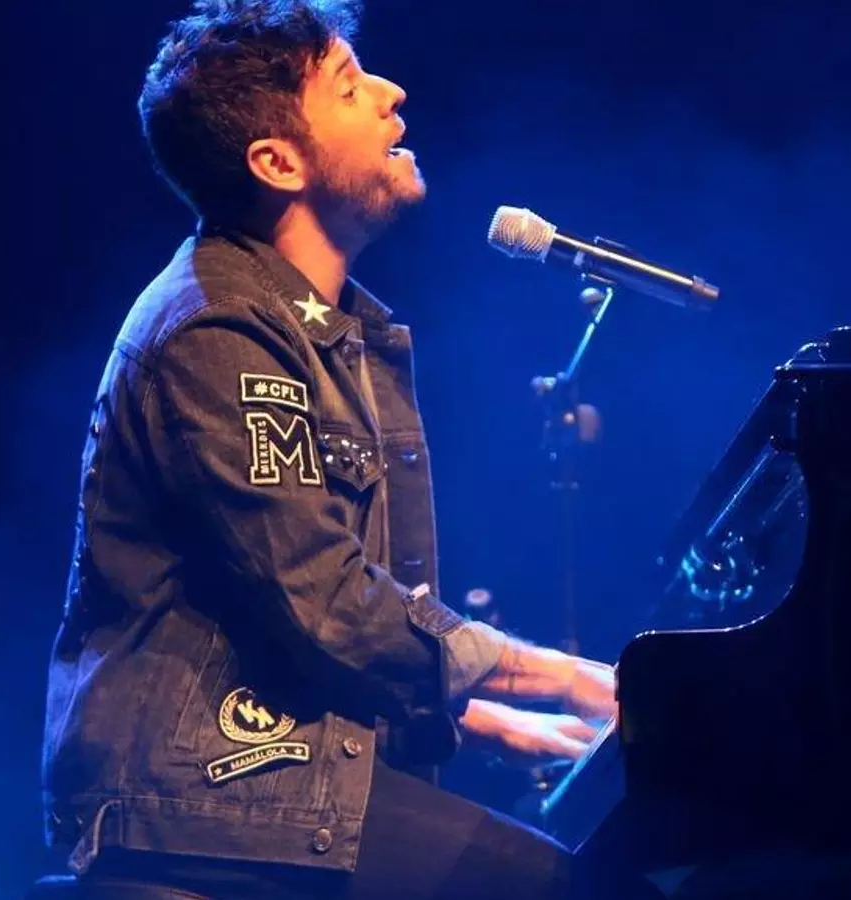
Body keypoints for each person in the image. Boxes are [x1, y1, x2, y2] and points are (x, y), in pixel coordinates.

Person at [41, 2, 658, 897]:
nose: (390, 92)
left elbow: (285, 623)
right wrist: (567, 680)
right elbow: (326, 601)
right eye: (348, 84)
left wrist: (480, 718)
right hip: (196, 791)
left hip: (264, 772)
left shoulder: (317, 324)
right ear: (277, 162)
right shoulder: (219, 330)